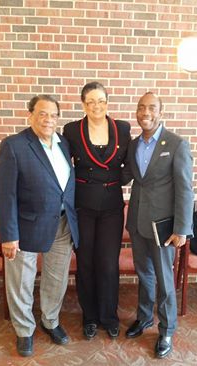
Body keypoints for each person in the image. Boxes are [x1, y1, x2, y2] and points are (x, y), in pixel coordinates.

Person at [0, 95, 79, 357]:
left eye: (53, 115)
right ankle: (24, 330)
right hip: (26, 226)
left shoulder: (63, 143)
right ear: (30, 114)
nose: (48, 120)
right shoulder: (15, 145)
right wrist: (9, 236)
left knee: (56, 277)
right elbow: (5, 194)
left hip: (62, 224)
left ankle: (50, 320)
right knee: (21, 281)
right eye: (42, 113)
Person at [122, 91, 194, 358]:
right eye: (141, 107)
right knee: (145, 275)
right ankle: (144, 318)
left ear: (160, 111)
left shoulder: (176, 144)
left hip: (164, 228)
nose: (145, 112)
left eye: (151, 107)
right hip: (138, 224)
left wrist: (182, 229)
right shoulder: (133, 145)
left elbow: (185, 190)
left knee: (164, 281)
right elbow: (126, 176)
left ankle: (166, 329)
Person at [63, 81, 131, 339]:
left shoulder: (122, 129)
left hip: (112, 206)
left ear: (107, 102)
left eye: (101, 100)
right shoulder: (71, 130)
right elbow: (62, 164)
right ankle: (89, 317)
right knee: (86, 263)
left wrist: (116, 180)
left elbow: (132, 163)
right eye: (90, 101)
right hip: (83, 205)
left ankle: (109, 316)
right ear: (83, 104)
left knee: (108, 264)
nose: (96, 106)